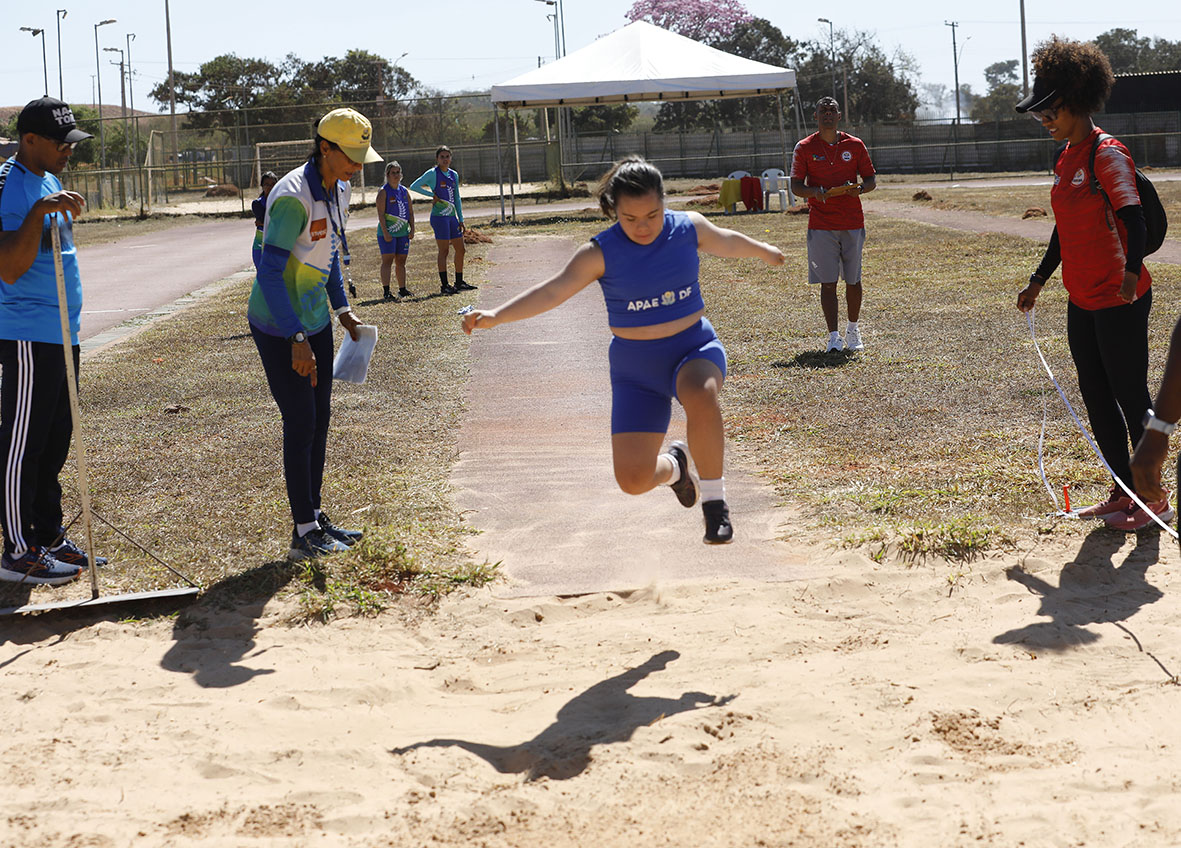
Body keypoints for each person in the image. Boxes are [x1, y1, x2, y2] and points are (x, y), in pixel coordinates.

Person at [461, 156, 784, 544]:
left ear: (665, 202)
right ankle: (677, 468)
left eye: (652, 214)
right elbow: (552, 291)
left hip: (693, 348)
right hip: (636, 370)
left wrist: (762, 248)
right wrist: (496, 315)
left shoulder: (687, 228)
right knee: (633, 480)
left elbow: (726, 240)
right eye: (630, 219)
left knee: (701, 393)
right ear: (614, 211)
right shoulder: (600, 252)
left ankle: (715, 507)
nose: (643, 226)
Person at [1015, 36, 1165, 532]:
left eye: (1050, 110)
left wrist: (1127, 276)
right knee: (1096, 396)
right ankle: (1121, 490)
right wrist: (1039, 281)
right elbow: (1064, 229)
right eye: (1039, 113)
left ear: (1076, 100)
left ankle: (1153, 498)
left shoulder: (1107, 154)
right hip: (1081, 298)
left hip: (1120, 298)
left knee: (1129, 395)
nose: (1045, 120)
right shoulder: (1064, 158)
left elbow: (1135, 218)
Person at [248, 107, 378, 560]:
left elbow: (327, 257)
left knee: (319, 420)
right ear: (325, 148)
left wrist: (343, 312)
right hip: (280, 324)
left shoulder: (338, 188)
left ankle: (314, 516)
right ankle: (303, 530)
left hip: (316, 321)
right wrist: (296, 339)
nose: (358, 168)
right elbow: (268, 273)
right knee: (300, 419)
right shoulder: (291, 197)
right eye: (351, 157)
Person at [0, 96, 103, 585]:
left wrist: (51, 206)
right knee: (23, 444)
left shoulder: (50, 179)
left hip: (64, 331)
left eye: (72, 143)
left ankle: (48, 535)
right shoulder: (7, 185)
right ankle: (18, 551)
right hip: (26, 332)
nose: (68, 151)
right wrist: (39, 212)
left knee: (56, 439)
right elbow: (10, 268)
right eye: (61, 143)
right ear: (30, 141)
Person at [789, 96, 876, 353]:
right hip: (821, 225)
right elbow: (796, 186)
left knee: (853, 279)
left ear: (839, 116)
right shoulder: (804, 147)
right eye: (822, 110)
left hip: (852, 221)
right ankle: (834, 337)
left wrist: (858, 189)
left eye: (832, 110)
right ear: (815, 116)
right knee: (828, 282)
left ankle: (853, 330)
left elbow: (871, 180)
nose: (827, 114)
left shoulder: (855, 145)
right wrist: (816, 192)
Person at [409, 145, 476, 295]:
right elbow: (414, 186)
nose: (445, 160)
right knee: (444, 251)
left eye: (447, 156)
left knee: (461, 249)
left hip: (452, 218)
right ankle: (444, 285)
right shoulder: (433, 173)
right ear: (437, 159)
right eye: (442, 157)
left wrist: (461, 218)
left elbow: (457, 197)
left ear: (451, 158)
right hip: (439, 218)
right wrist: (432, 196)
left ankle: (459, 282)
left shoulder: (454, 175)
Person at [376, 161, 415, 301]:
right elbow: (380, 214)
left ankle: (402, 289)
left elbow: (410, 212)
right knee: (387, 261)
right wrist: (386, 232)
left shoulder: (404, 191)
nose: (396, 175)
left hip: (403, 233)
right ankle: (386, 291)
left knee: (401, 261)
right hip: (388, 234)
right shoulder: (383, 192)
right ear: (387, 175)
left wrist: (412, 229)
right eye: (393, 173)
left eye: (398, 172)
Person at [251, 171, 278, 271]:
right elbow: (264, 221)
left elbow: (263, 222)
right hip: (260, 242)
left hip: (277, 242)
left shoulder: (282, 203)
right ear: (262, 186)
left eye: (273, 185)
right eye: (267, 184)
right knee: (261, 273)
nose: (270, 187)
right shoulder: (257, 204)